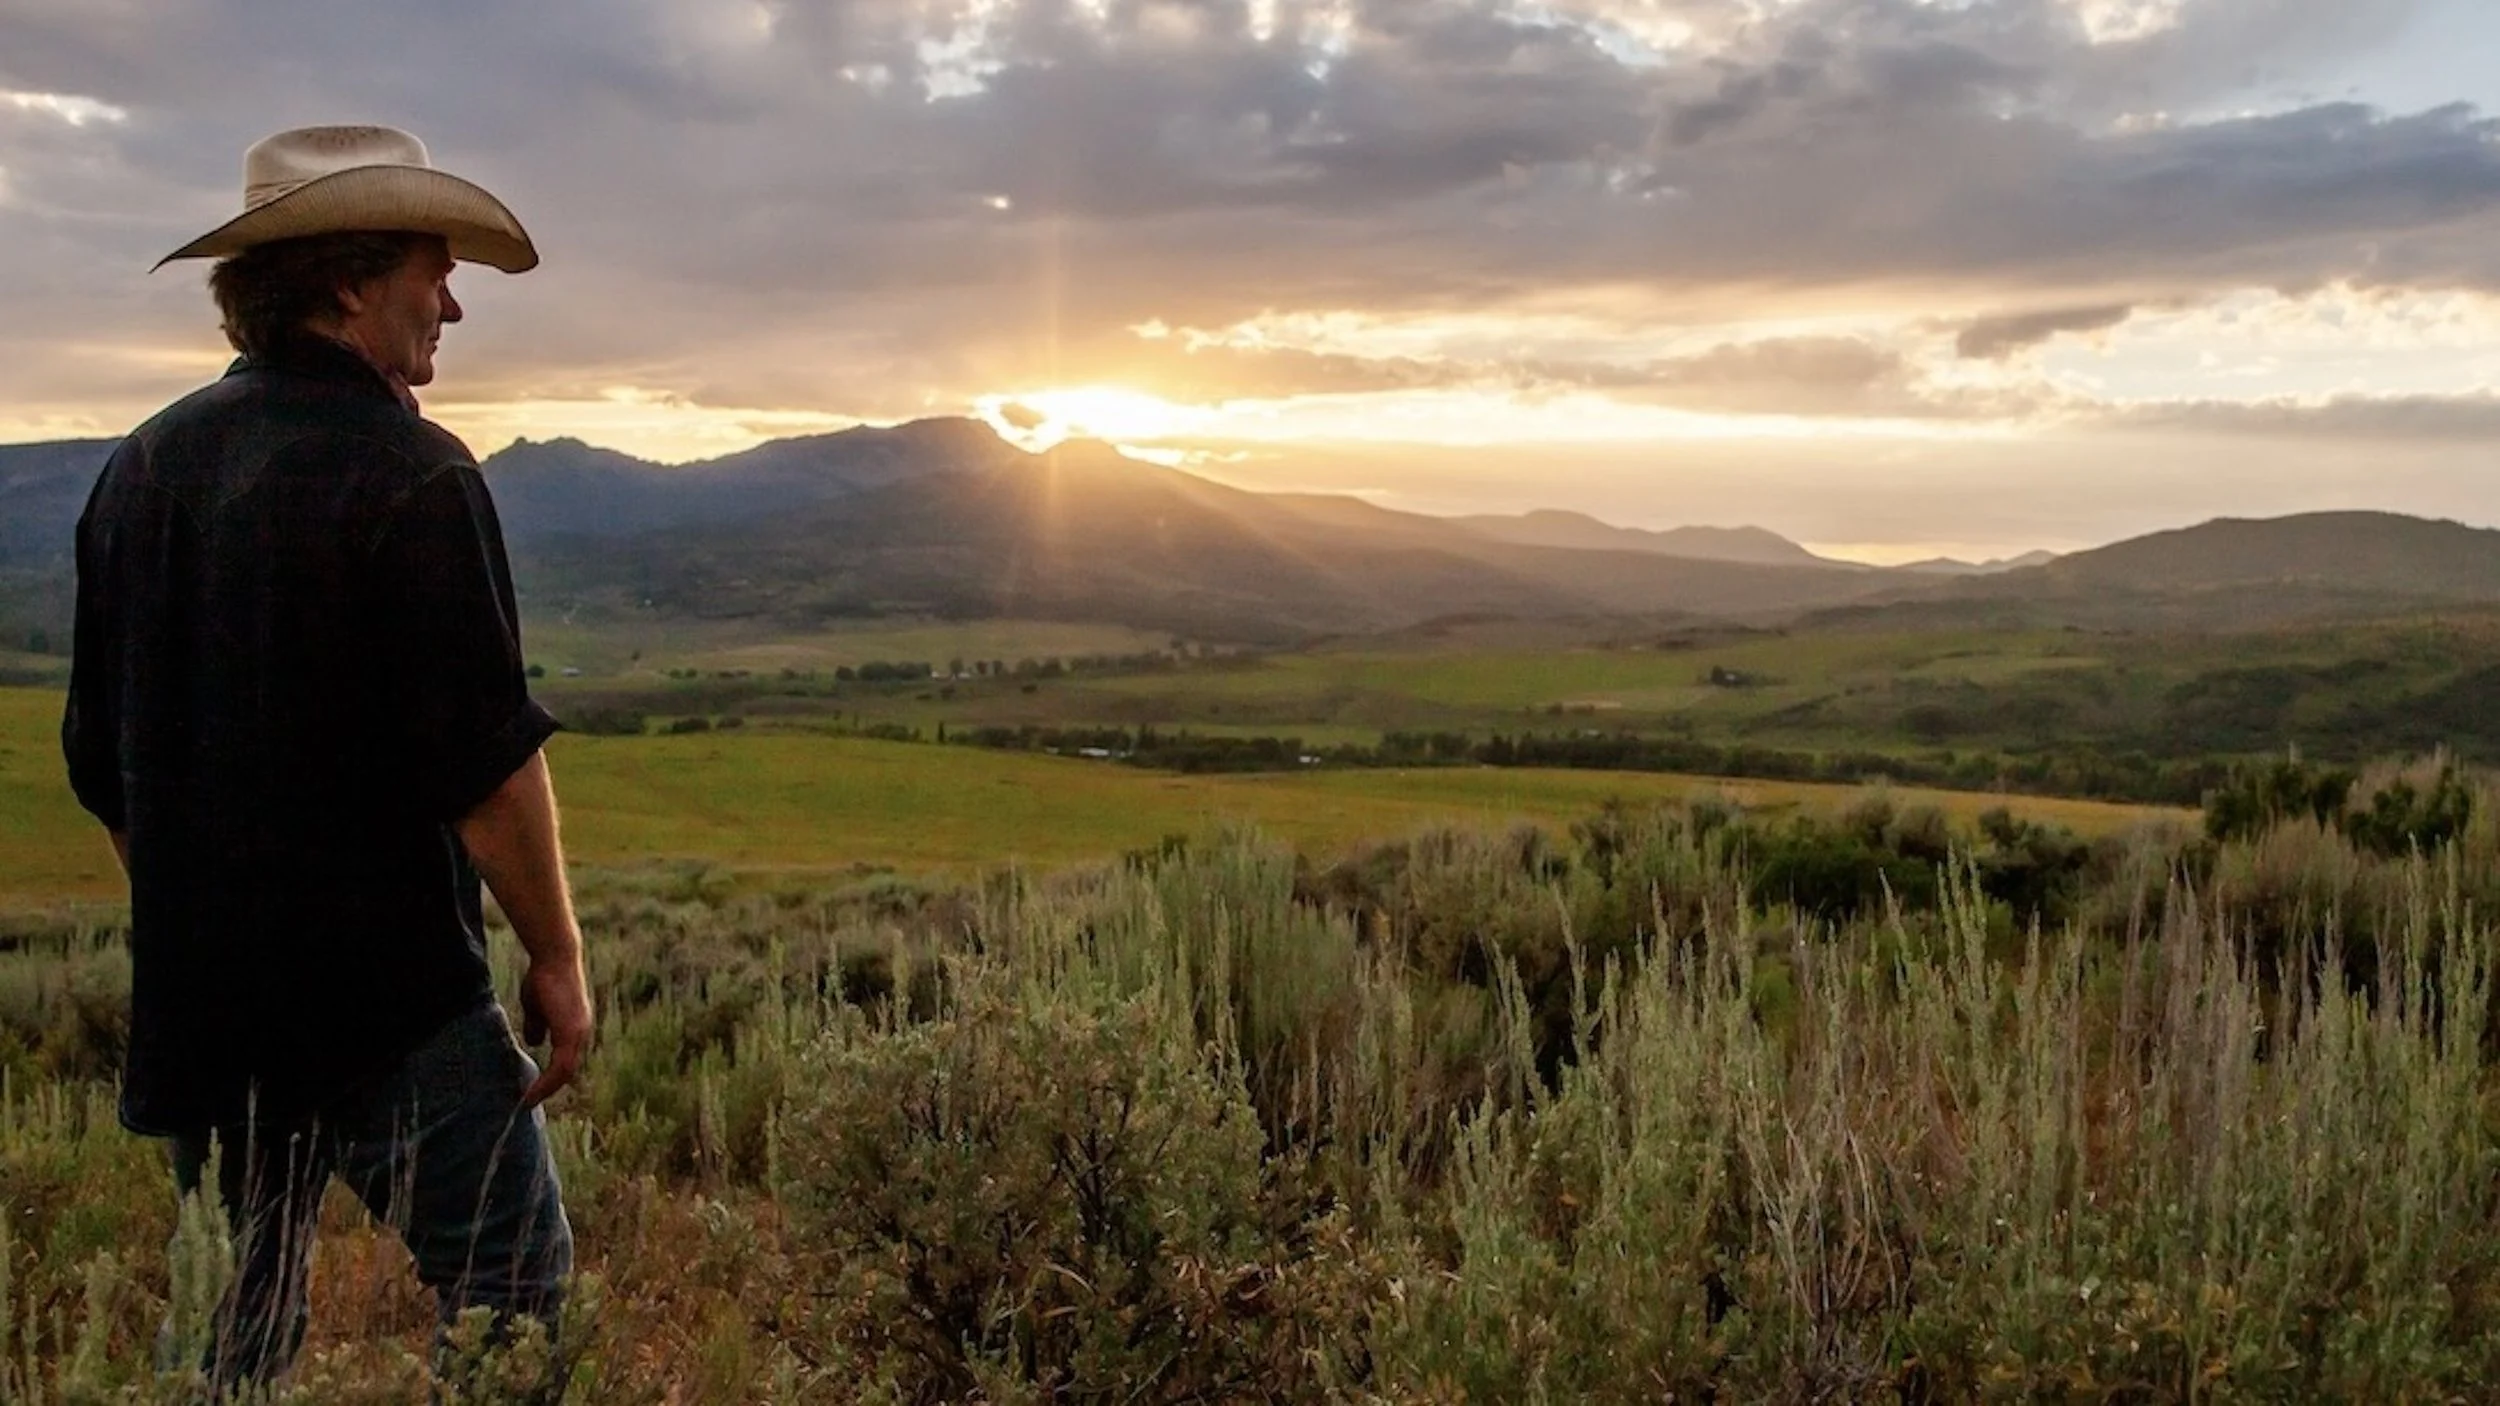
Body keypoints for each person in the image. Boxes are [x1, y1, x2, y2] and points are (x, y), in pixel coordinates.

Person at [60, 125, 591, 1394]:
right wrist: (558, 957)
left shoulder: (141, 468)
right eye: (432, 269)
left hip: (206, 1005)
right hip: (392, 1000)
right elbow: (489, 770)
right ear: (351, 281)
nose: (451, 302)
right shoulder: (414, 472)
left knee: (230, 1326)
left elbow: (102, 768)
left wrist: (204, 912)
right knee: (514, 1285)